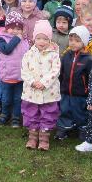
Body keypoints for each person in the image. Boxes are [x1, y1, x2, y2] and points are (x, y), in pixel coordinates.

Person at [20, 19, 61, 151]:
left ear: (49, 40)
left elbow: (55, 71)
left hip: (48, 92)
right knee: (31, 113)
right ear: (34, 38)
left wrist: (44, 83)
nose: (41, 42)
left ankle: (44, 138)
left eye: (45, 39)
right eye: (39, 38)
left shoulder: (54, 55)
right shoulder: (28, 54)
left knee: (48, 113)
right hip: (31, 91)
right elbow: (24, 70)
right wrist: (32, 82)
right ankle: (32, 137)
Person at [55, 26, 92, 141]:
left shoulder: (88, 59)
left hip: (80, 93)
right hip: (66, 92)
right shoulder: (66, 56)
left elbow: (91, 78)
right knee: (65, 110)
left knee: (80, 112)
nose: (73, 43)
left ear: (84, 42)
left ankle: (83, 130)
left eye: (77, 41)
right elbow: (61, 73)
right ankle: (63, 129)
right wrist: (60, 86)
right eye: (71, 40)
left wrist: (88, 91)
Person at [0, 11, 30, 128]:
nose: (15, 31)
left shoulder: (25, 41)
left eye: (18, 28)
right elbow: (7, 50)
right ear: (7, 28)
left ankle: (15, 117)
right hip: (7, 76)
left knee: (17, 99)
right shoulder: (2, 39)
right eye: (12, 28)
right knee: (6, 99)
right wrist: (16, 38)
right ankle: (4, 115)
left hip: (20, 77)